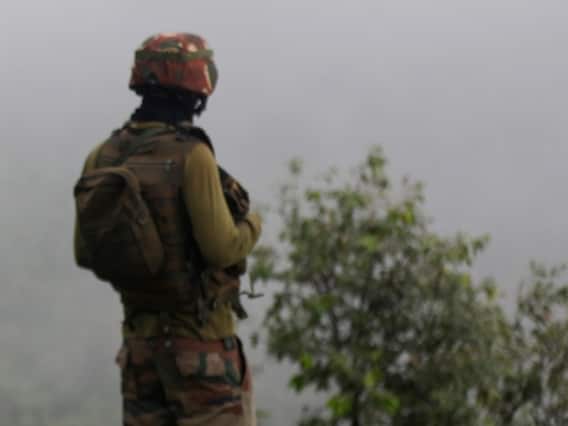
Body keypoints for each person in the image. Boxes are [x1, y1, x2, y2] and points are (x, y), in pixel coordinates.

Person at [73, 33, 262, 426]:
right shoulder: (192, 155)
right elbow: (222, 248)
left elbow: (84, 252)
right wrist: (253, 224)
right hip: (201, 351)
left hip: (139, 353)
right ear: (197, 87)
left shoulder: (102, 155)